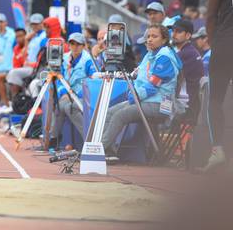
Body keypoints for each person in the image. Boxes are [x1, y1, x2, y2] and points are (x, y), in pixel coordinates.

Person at [101, 25, 182, 156]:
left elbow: (152, 86)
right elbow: (137, 75)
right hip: (147, 100)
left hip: (162, 105)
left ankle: (99, 150)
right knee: (110, 112)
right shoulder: (150, 55)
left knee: (120, 115)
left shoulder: (165, 57)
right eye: (148, 36)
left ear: (164, 40)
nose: (149, 39)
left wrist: (135, 95)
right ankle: (108, 151)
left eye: (154, 36)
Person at [202, 0, 233, 172]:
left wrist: (215, 43)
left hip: (224, 42)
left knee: (214, 100)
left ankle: (217, 150)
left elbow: (211, 15)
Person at [51, 33, 95, 148]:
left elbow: (93, 81)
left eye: (78, 44)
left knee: (68, 107)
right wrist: (63, 92)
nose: (75, 47)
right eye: (72, 43)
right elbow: (58, 77)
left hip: (82, 95)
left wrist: (77, 94)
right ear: (68, 45)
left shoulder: (88, 60)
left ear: (83, 46)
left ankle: (89, 140)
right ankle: (54, 139)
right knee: (59, 105)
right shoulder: (64, 58)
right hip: (67, 93)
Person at [171, 19, 204, 124]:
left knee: (148, 110)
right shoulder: (189, 51)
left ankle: (152, 140)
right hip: (190, 103)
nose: (174, 34)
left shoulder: (186, 53)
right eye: (173, 30)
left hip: (186, 106)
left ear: (188, 35)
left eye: (179, 31)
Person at [6, 13, 45, 98]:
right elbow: (24, 55)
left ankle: (16, 102)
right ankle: (18, 102)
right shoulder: (33, 36)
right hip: (29, 66)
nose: (34, 26)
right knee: (11, 74)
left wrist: (31, 64)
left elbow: (43, 58)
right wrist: (27, 40)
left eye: (36, 24)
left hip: (37, 68)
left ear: (42, 23)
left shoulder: (43, 36)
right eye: (32, 24)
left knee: (13, 73)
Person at [0, 27, 27, 116]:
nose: (19, 39)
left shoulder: (29, 46)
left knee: (13, 76)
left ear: (26, 36)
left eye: (21, 36)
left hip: (26, 73)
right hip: (16, 72)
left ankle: (15, 104)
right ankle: (7, 105)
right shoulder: (16, 48)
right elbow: (16, 64)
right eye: (17, 37)